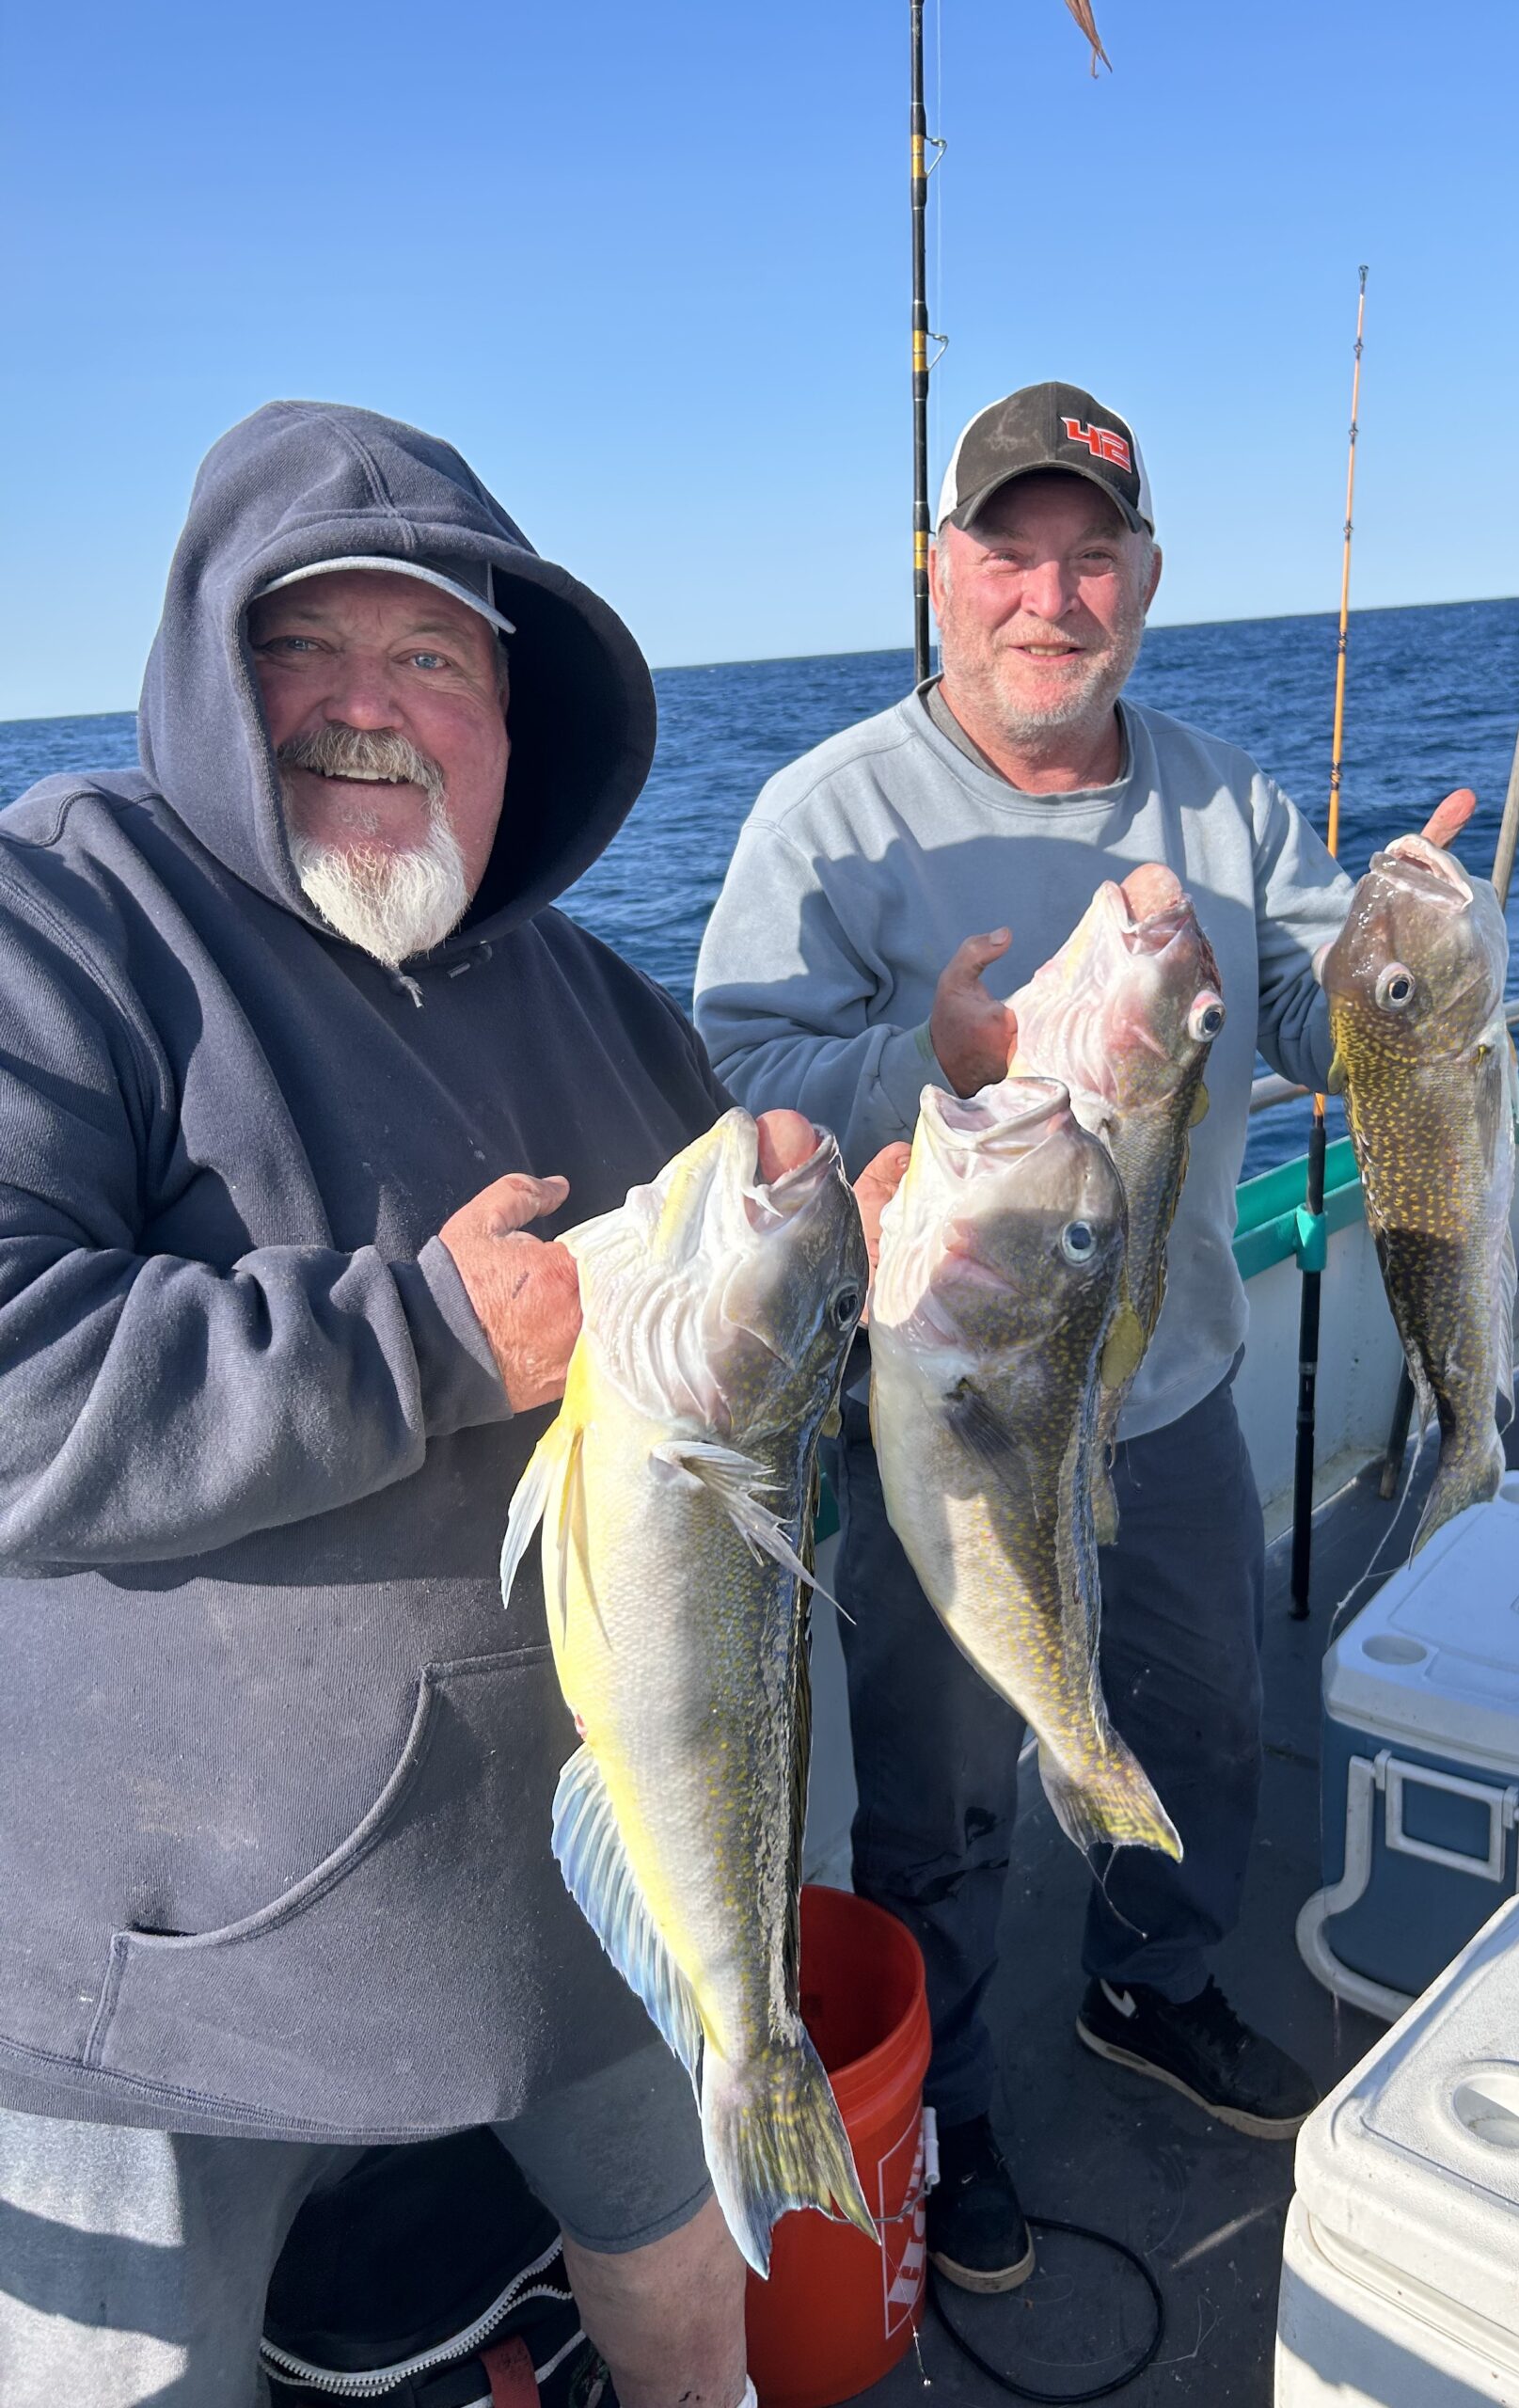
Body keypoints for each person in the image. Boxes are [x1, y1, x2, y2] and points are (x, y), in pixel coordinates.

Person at [0, 400, 890, 2407]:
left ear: (512, 713)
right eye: (303, 645)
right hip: (156, 1965)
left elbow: (753, 1432)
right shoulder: (64, 912)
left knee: (694, 2304)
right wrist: (427, 1338)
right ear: (205, 670)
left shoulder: (611, 1001)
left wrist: (866, 1280)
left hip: (588, 1896)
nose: (367, 706)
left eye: (432, 657)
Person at [696, 381, 1471, 2292]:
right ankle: (951, 2100)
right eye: (1011, 553)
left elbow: (1316, 1028)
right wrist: (920, 1059)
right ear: (940, 573)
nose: (1053, 596)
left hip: (1170, 1374)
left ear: (1147, 578)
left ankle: (1157, 1980)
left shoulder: (1231, 798)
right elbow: (731, 1080)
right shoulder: (830, 813)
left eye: (1093, 556)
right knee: (947, 1786)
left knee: (1202, 1714)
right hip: (948, 1401)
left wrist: (1405, 959)